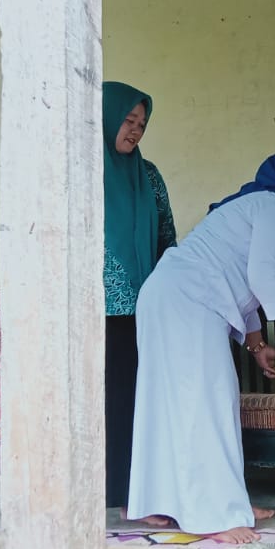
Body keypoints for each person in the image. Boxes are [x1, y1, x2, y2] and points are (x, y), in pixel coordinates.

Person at [127, 148, 275, 543]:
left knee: (172, 403)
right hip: (187, 301)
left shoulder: (254, 205)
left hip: (168, 296)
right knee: (211, 402)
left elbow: (240, 281)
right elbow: (261, 279)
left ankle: (196, 502)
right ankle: (219, 514)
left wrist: (257, 343)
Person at [102, 82, 176, 511]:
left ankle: (141, 492)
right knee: (107, 402)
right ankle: (113, 491)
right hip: (94, 313)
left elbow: (167, 236)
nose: (135, 131)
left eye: (142, 124)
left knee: (140, 401)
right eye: (128, 121)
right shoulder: (80, 175)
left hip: (145, 308)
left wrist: (169, 293)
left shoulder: (149, 176)